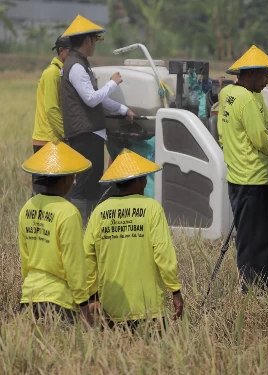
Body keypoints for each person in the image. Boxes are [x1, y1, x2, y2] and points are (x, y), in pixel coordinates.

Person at [84, 148, 183, 330]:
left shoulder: (99, 211)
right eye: (144, 177)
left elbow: (87, 258)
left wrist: (92, 296)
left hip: (111, 310)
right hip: (151, 310)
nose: (146, 182)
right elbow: (163, 255)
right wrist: (175, 291)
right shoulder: (152, 208)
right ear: (138, 180)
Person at [217, 45, 268, 293]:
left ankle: (257, 289)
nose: (267, 80)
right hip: (251, 180)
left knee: (255, 237)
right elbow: (261, 138)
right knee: (255, 242)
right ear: (252, 74)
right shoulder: (245, 98)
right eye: (265, 75)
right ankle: (252, 293)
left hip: (241, 177)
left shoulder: (229, 93)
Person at [60, 14, 136, 224]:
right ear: (87, 41)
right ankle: (80, 226)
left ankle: (87, 226)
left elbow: (96, 99)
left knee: (93, 182)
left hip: (90, 134)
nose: (95, 45)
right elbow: (92, 99)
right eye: (95, 40)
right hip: (85, 134)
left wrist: (123, 109)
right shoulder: (75, 66)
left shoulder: (80, 64)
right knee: (85, 185)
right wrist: (113, 84)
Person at [18, 138, 93, 325]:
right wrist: (84, 307)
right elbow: (74, 265)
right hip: (58, 303)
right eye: (73, 177)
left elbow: (25, 261)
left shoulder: (28, 207)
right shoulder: (67, 212)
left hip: (28, 300)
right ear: (67, 179)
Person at [31, 36, 71, 195]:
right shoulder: (53, 74)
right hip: (47, 140)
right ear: (62, 51)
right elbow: (52, 109)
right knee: (43, 191)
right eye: (72, 52)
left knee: (55, 190)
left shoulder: (60, 72)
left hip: (53, 139)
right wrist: (67, 135)